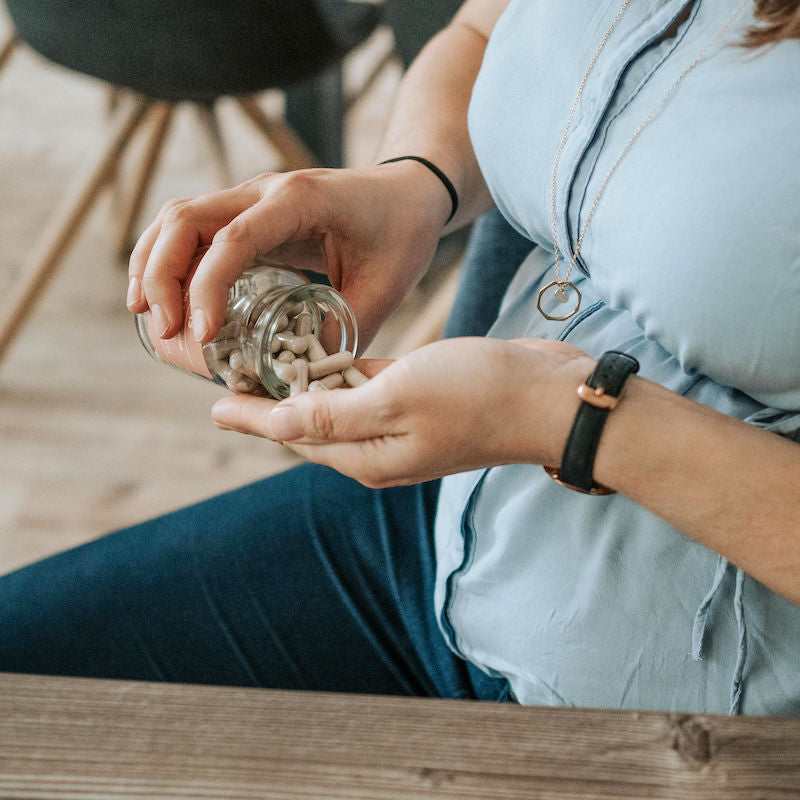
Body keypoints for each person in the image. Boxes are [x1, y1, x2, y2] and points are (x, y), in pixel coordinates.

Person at [2, 0, 799, 715]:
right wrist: (413, 184)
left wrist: (565, 416)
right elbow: (486, 29)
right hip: (449, 525)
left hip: (662, 706)